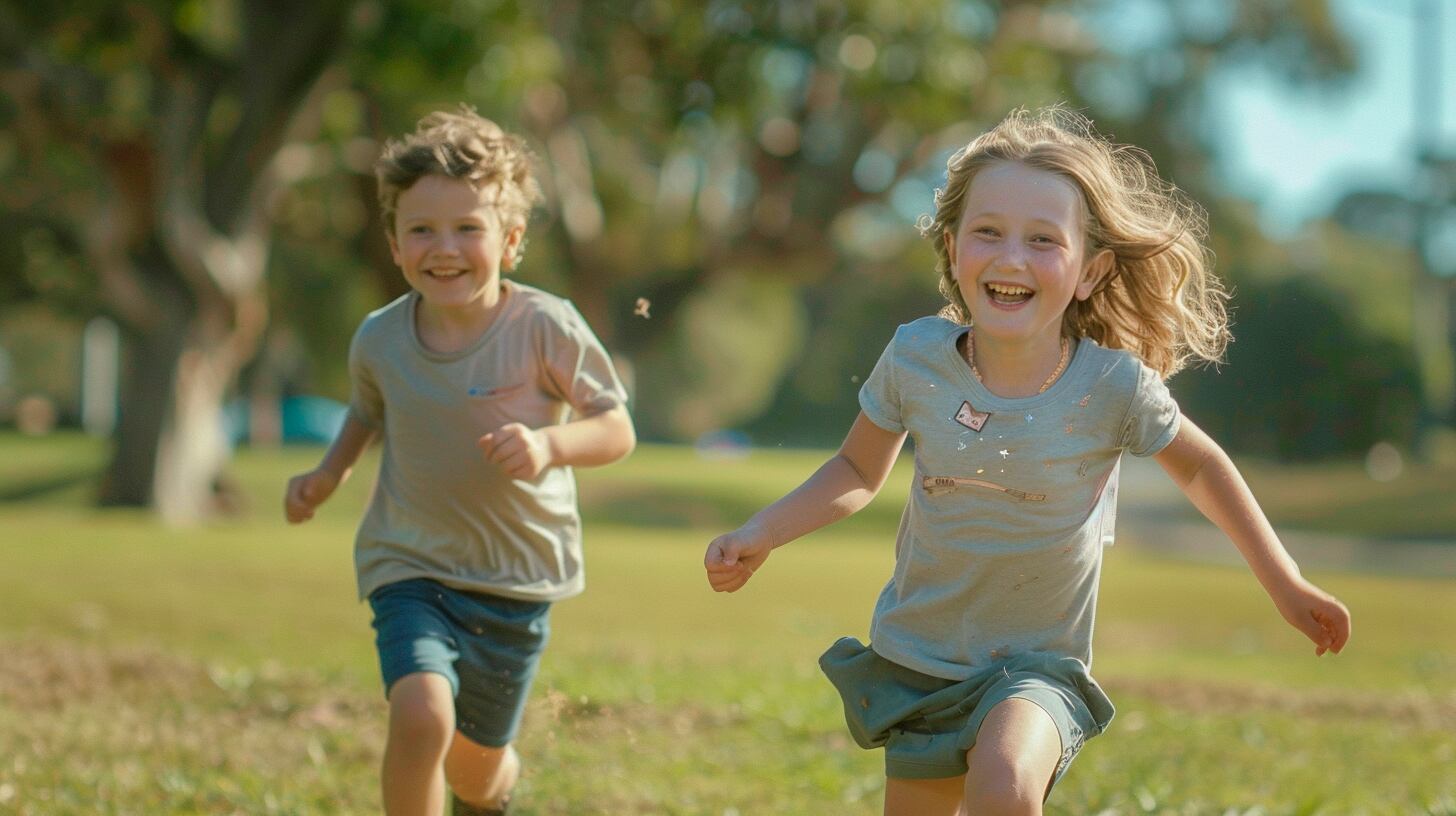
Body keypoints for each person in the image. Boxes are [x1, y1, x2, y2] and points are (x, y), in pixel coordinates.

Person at [703, 107, 1350, 815]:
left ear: (1088, 270)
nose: (1012, 257)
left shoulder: (1113, 387)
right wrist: (761, 532)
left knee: (1007, 780)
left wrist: (1285, 584)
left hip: (1038, 668)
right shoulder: (916, 359)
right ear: (953, 250)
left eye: (1043, 240)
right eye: (989, 232)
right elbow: (858, 471)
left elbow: (1200, 467)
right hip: (920, 661)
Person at [285, 108, 635, 816]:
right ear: (393, 244)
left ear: (509, 242)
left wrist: (548, 445)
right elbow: (366, 410)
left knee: (475, 774)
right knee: (420, 716)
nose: (443, 248)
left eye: (467, 228)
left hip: (516, 579)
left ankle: (492, 791)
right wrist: (328, 475)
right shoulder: (379, 339)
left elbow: (616, 428)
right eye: (421, 229)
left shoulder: (544, 325)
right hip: (410, 564)